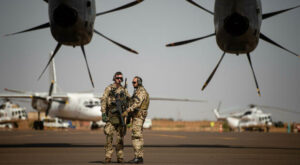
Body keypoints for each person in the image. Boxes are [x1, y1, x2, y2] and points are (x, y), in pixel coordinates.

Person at [101, 71, 130, 163]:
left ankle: (120, 157)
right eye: (118, 78)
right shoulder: (109, 88)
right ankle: (108, 157)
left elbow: (129, 101)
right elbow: (103, 100)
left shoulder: (124, 90)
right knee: (109, 137)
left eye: (121, 78)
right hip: (111, 116)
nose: (119, 80)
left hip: (121, 117)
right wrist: (103, 113)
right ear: (114, 78)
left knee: (120, 139)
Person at [122, 76, 149, 164]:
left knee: (136, 136)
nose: (133, 84)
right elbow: (131, 101)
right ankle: (139, 156)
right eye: (132, 82)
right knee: (139, 136)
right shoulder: (137, 91)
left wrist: (127, 111)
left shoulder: (141, 92)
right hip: (137, 116)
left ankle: (138, 157)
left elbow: (136, 104)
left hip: (138, 117)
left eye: (134, 82)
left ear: (139, 83)